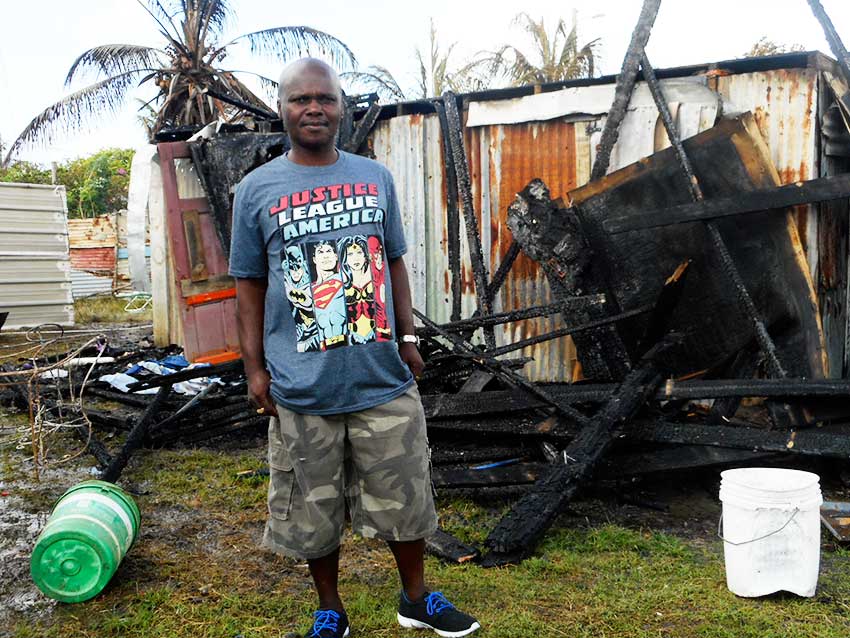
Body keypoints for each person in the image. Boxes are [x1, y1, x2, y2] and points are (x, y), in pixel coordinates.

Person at [229, 58, 480, 638]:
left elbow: (392, 260)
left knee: (407, 495)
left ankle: (416, 598)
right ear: (282, 109)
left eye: (325, 98)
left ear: (342, 108)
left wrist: (409, 337)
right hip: (301, 383)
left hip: (380, 377)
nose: (313, 108)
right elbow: (247, 284)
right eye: (300, 99)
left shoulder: (375, 177)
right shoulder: (256, 190)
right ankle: (330, 611)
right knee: (313, 510)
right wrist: (253, 369)